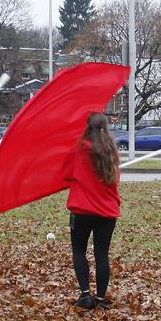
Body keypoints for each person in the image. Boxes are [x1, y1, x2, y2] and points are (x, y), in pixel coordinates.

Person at [63, 112, 121, 310]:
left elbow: (65, 173)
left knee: (79, 251)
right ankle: (102, 297)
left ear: (86, 127)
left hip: (82, 210)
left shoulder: (78, 150)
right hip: (107, 211)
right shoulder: (111, 151)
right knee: (101, 253)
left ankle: (86, 295)